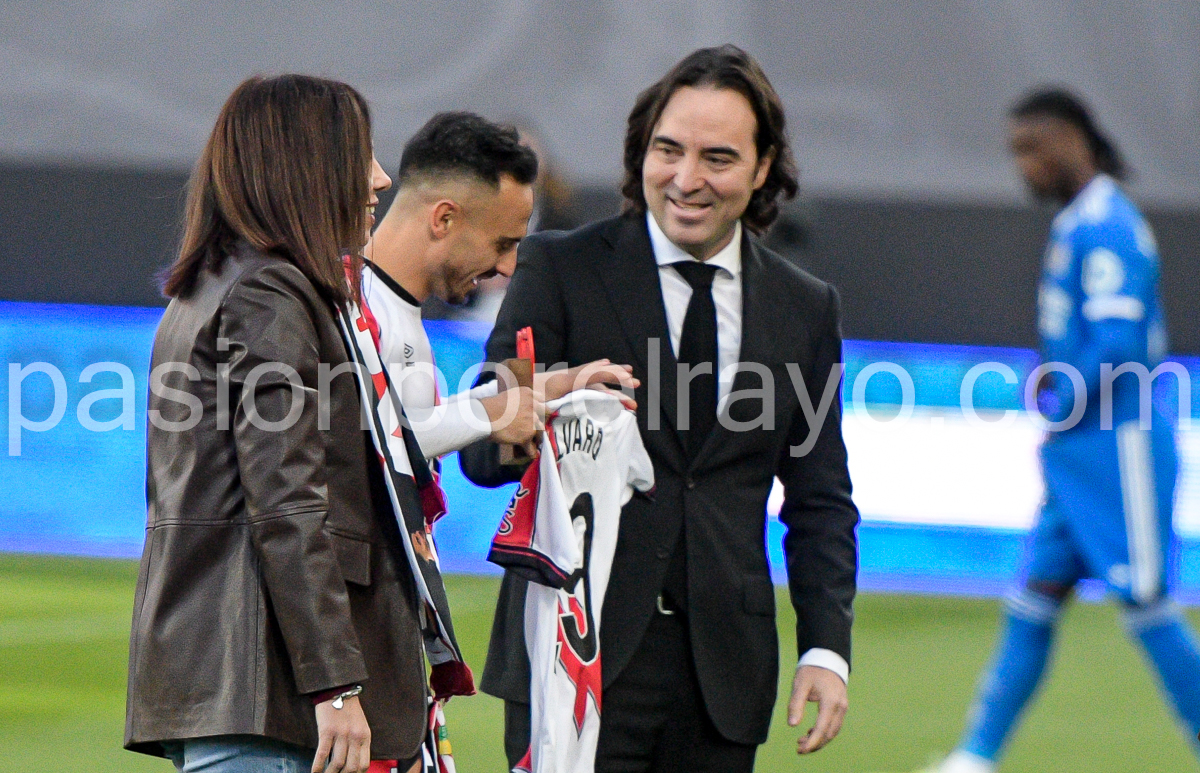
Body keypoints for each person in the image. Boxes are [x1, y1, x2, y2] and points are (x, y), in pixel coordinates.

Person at [461, 45, 859, 772]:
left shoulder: (805, 308)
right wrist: (540, 402)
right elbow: (482, 456)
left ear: (764, 168)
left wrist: (826, 647)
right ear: (640, 150)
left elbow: (821, 500)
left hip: (722, 683)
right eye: (667, 150)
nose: (686, 179)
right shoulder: (557, 269)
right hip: (571, 662)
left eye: (718, 157)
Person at [126, 75, 426, 773]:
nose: (380, 179)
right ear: (307, 169)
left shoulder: (215, 285)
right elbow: (288, 498)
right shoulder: (270, 291)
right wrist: (335, 680)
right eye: (360, 154)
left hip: (242, 693)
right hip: (275, 705)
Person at [929, 87, 1200, 773]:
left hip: (1122, 447)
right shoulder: (1079, 220)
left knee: (1145, 601)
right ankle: (976, 756)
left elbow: (1119, 342)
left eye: (1030, 148)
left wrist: (1064, 393)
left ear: (1069, 139)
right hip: (1079, 452)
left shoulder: (1107, 222)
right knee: (1036, 596)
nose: (1023, 165)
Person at [362, 111, 638, 466]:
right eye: (502, 244)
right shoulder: (340, 308)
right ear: (443, 219)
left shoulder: (391, 307)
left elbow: (406, 426)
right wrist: (489, 414)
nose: (508, 267)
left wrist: (534, 391)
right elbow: (356, 446)